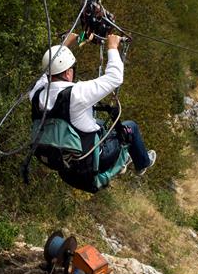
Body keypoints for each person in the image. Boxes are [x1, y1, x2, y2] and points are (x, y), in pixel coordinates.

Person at [28, 32, 156, 193]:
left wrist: (65, 45)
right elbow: (115, 77)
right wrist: (112, 47)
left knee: (100, 124)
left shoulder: (36, 93)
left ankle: (123, 158)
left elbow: (44, 75)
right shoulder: (76, 94)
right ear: (68, 73)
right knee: (130, 127)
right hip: (90, 162)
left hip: (65, 162)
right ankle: (142, 163)